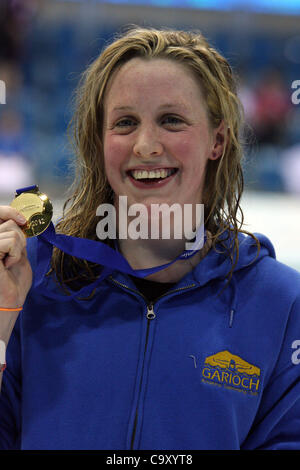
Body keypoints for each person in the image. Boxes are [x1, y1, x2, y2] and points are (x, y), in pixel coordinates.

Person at [0, 26, 300, 451]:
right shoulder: (28, 279)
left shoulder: (282, 304)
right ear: (99, 143)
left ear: (218, 139)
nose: (145, 145)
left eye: (171, 120)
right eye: (125, 123)